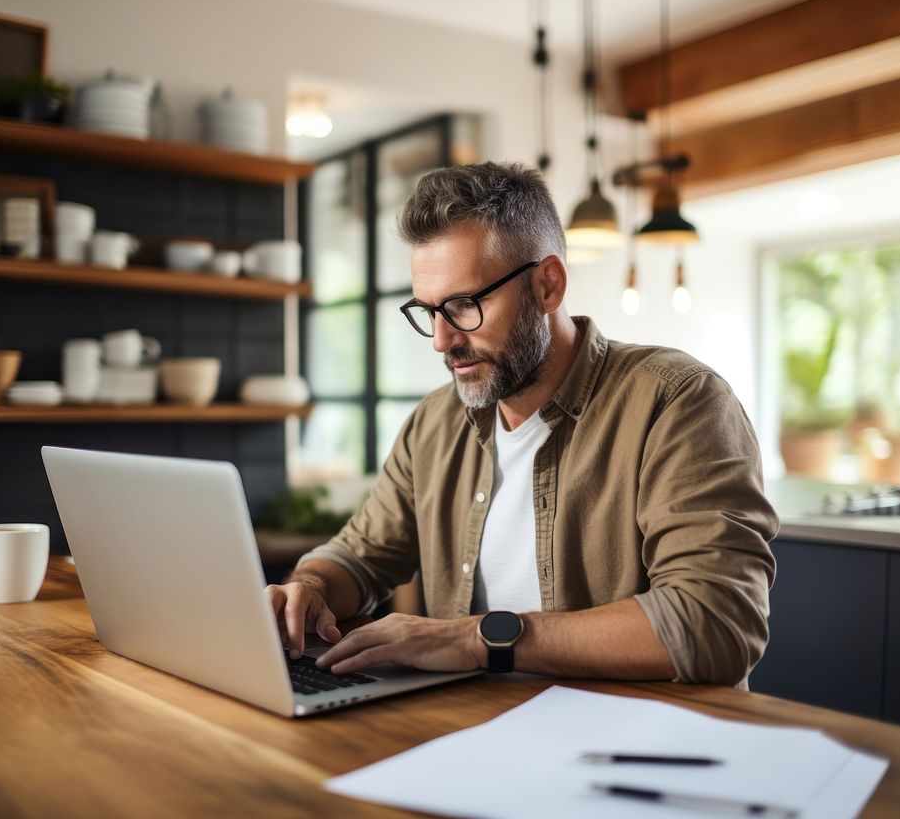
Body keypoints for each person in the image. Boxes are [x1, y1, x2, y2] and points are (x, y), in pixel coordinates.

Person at [266, 162, 778, 687]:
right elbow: (359, 556)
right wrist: (310, 586)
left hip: (635, 745)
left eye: (464, 304)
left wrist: (474, 639)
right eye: (429, 311)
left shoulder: (677, 402)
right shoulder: (436, 424)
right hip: (474, 730)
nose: (442, 340)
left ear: (547, 285)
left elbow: (715, 623)